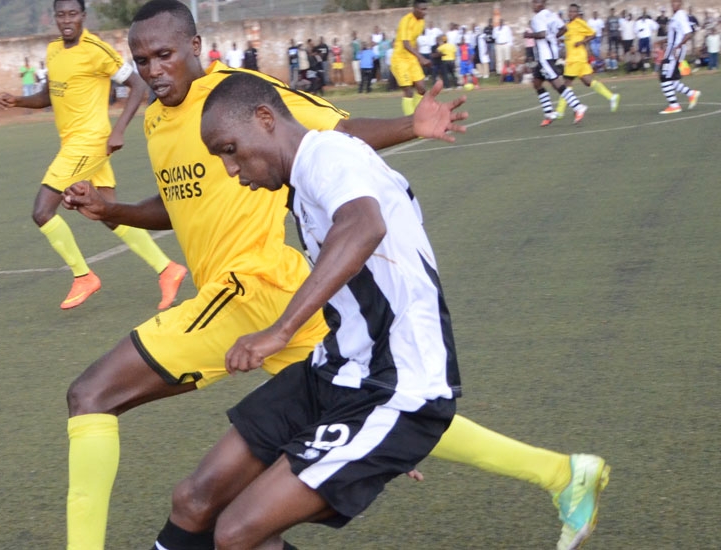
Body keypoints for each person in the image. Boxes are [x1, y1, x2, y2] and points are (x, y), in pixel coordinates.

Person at [61, 3, 609, 549]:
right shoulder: (161, 119)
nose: (154, 70)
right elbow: (182, 204)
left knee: (92, 395)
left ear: (196, 47)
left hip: (253, 286)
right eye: (141, 60)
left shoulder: (245, 98)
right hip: (304, 297)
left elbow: (333, 136)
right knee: (358, 393)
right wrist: (115, 211)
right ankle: (561, 472)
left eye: (164, 55)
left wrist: (408, 126)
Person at [181, 68, 462, 550]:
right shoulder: (310, 174)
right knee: (200, 494)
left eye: (230, 149)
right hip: (337, 372)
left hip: (396, 383)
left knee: (237, 532)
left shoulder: (325, 157)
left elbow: (363, 226)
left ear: (265, 118)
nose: (231, 168)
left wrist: (280, 330)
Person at [0, 0, 187, 310]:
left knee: (42, 211)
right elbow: (48, 95)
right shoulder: (54, 51)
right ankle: (168, 269)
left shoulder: (96, 50)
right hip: (73, 142)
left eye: (73, 13)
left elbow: (137, 84)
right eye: (61, 14)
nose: (67, 20)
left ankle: (83, 275)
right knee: (107, 212)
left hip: (89, 143)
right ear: (55, 18)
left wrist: (119, 130)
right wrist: (16, 100)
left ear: (83, 16)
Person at [524, 0, 587, 126]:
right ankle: (549, 113)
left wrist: (529, 35)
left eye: (536, 2)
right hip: (550, 54)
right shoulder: (552, 15)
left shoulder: (537, 18)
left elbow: (542, 34)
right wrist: (553, 37)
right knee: (537, 83)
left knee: (557, 84)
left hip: (545, 56)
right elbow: (564, 28)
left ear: (542, 4)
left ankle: (578, 107)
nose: (533, 5)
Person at [556, 3, 620, 119]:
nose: (571, 13)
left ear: (577, 13)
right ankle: (612, 97)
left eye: (573, 11)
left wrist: (582, 42)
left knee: (566, 83)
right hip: (577, 59)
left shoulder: (579, 22)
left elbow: (593, 34)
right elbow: (568, 38)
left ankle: (560, 110)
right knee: (587, 81)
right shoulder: (567, 25)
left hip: (576, 59)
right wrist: (562, 41)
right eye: (569, 11)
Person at [659, 0, 701, 114]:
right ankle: (691, 94)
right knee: (671, 79)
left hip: (674, 51)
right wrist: (665, 40)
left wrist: (678, 47)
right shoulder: (675, 17)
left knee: (664, 77)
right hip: (671, 50)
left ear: (680, 4)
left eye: (676, 2)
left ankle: (674, 105)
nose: (673, 4)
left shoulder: (680, 15)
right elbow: (677, 34)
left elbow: (688, 34)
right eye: (672, 2)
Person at [391, 1, 430, 115]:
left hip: (412, 58)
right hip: (400, 59)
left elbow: (414, 41)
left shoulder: (421, 22)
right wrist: (421, 58)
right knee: (408, 91)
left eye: (426, 9)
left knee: (422, 89)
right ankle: (410, 120)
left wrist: (417, 58)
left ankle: (417, 114)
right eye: (422, 9)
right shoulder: (406, 20)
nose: (425, 12)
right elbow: (406, 44)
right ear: (415, 9)